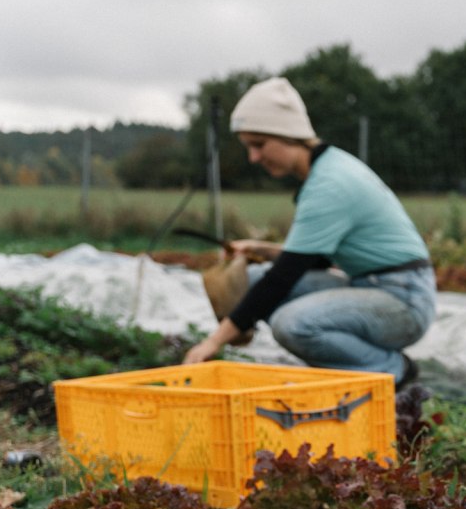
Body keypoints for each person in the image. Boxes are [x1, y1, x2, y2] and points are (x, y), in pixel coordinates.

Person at [183, 77, 434, 385]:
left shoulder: (329, 184)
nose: (254, 158)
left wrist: (213, 341)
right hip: (371, 285)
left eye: (259, 145)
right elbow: (315, 261)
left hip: (403, 302)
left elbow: (284, 276)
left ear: (288, 135)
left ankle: (391, 370)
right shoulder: (327, 169)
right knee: (250, 281)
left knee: (292, 324)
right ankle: (347, 362)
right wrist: (260, 249)